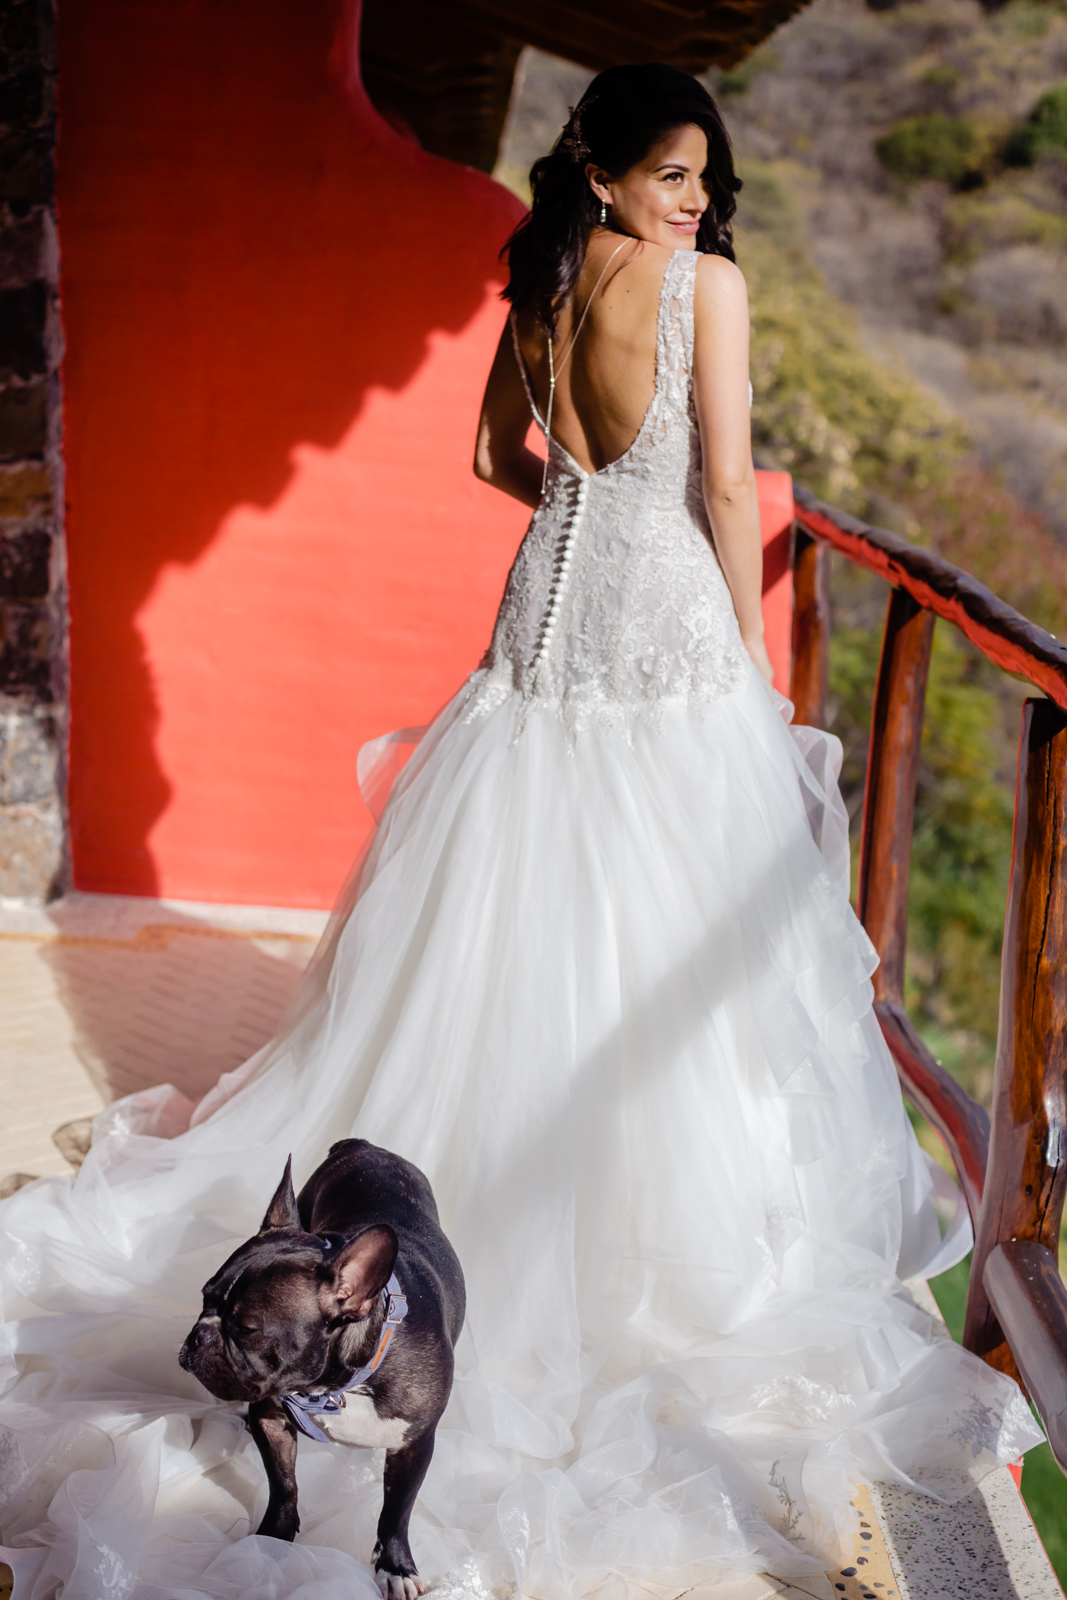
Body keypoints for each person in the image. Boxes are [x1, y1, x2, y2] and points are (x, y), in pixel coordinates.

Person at [0, 63, 1041, 1600]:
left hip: (534, 636)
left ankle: (430, 1259)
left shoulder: (547, 280)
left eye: (706, 178)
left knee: (500, 942)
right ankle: (638, 1277)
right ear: (610, 169)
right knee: (679, 958)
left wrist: (575, 506)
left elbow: (503, 462)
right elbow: (715, 485)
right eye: (674, 174)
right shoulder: (710, 292)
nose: (696, 200)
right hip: (665, 641)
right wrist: (742, 686)